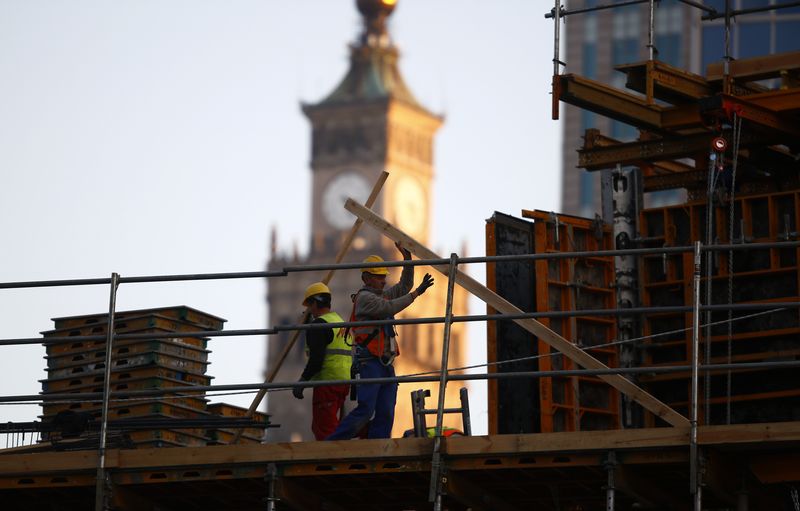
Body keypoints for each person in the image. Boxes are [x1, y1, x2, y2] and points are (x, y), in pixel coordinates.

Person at [326, 242, 435, 440]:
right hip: (370, 362)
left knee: (386, 411)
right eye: (379, 277)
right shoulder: (365, 300)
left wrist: (407, 261)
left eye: (384, 276)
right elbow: (389, 308)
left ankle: (378, 447)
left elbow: (403, 286)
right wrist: (416, 294)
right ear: (367, 278)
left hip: (385, 363)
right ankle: (332, 443)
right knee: (366, 410)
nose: (383, 281)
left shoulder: (380, 296)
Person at [292, 282, 353, 440]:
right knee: (333, 424)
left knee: (324, 428)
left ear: (314, 303)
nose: (308, 310)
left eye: (309, 305)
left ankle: (331, 462)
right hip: (344, 381)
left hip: (328, 382)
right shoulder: (339, 322)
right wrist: (309, 327)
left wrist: (302, 381)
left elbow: (316, 359)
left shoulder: (319, 326)